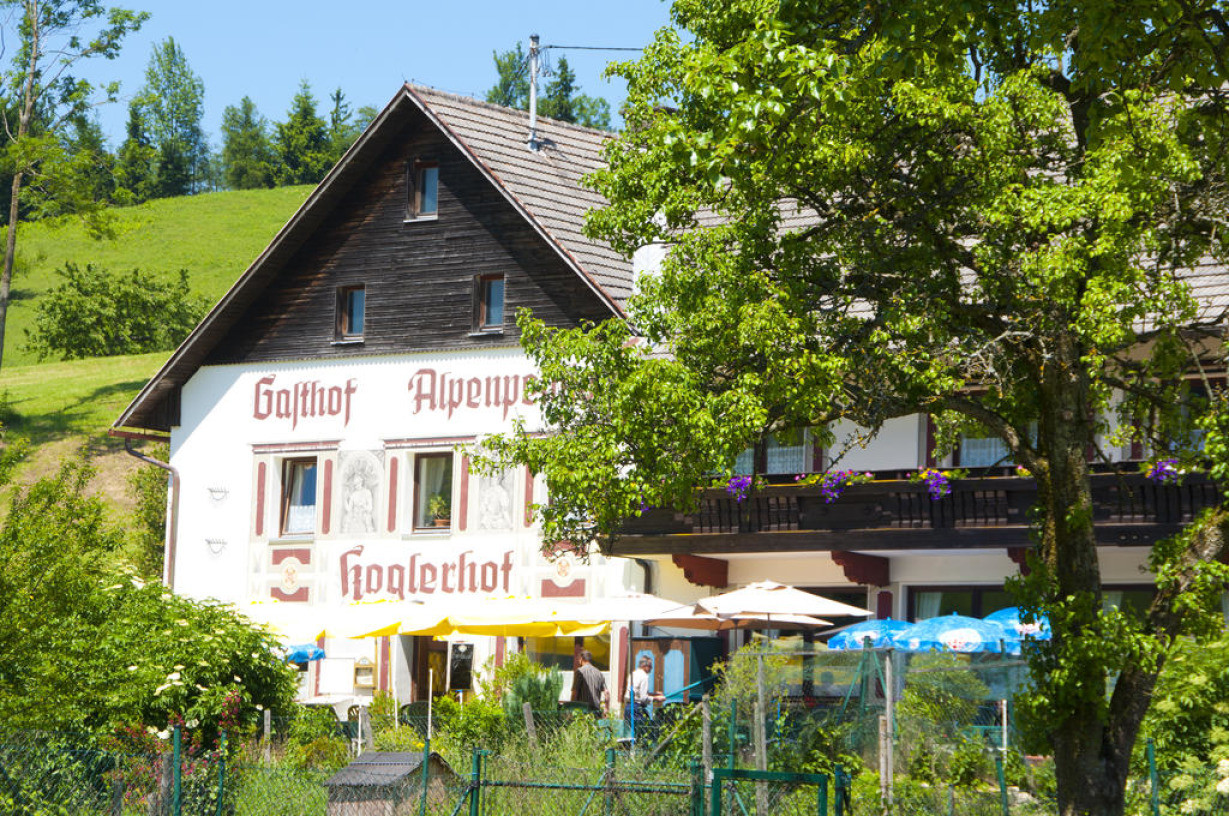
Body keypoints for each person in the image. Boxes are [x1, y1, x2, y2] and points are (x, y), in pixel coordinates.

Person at [625, 655, 665, 738]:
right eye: (650, 666)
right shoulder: (644, 676)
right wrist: (657, 698)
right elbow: (643, 698)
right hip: (637, 708)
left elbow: (638, 692)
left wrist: (654, 694)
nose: (651, 668)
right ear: (644, 666)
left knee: (631, 733)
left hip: (628, 707)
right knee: (643, 733)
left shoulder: (633, 674)